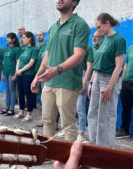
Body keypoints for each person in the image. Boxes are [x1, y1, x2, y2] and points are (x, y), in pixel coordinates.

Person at [31, 0, 90, 141]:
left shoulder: (79, 24)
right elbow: (48, 54)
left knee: (67, 125)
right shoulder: (53, 27)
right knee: (47, 121)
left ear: (74, 2)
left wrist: (57, 70)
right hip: (49, 83)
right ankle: (47, 152)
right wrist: (36, 77)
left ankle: (69, 159)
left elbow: (79, 54)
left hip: (68, 83)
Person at [87, 13, 126, 147]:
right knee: (92, 112)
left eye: (99, 26)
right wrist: (91, 82)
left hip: (108, 79)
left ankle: (104, 149)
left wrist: (109, 87)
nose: (98, 30)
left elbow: (119, 66)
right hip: (97, 77)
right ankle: (93, 143)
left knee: (105, 115)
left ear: (107, 23)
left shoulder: (118, 40)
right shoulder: (103, 39)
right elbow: (97, 62)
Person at [13, 31, 38, 122]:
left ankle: (29, 114)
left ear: (29, 38)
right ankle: (21, 111)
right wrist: (17, 70)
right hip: (20, 74)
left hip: (28, 74)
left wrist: (21, 70)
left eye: (24, 38)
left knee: (29, 94)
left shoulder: (34, 49)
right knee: (20, 93)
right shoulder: (23, 48)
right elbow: (19, 59)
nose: (22, 40)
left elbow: (31, 63)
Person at [0, 33, 21, 116]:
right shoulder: (7, 48)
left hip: (12, 72)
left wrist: (16, 74)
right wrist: (2, 72)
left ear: (13, 39)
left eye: (9, 38)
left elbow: (18, 62)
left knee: (12, 91)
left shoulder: (17, 49)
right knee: (7, 91)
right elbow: (4, 61)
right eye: (7, 38)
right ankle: (7, 107)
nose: (7, 39)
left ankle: (12, 109)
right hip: (5, 72)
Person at [76, 46, 93, 142]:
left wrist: (84, 82)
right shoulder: (72, 45)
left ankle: (81, 133)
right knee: (69, 107)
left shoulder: (88, 48)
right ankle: (70, 129)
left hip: (82, 77)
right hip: (72, 76)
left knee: (80, 107)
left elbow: (89, 67)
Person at [35, 31, 47, 127]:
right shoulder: (36, 47)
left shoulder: (46, 47)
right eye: (38, 35)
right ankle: (43, 117)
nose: (39, 36)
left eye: (41, 35)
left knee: (45, 96)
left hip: (44, 74)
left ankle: (46, 119)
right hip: (36, 73)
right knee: (39, 95)